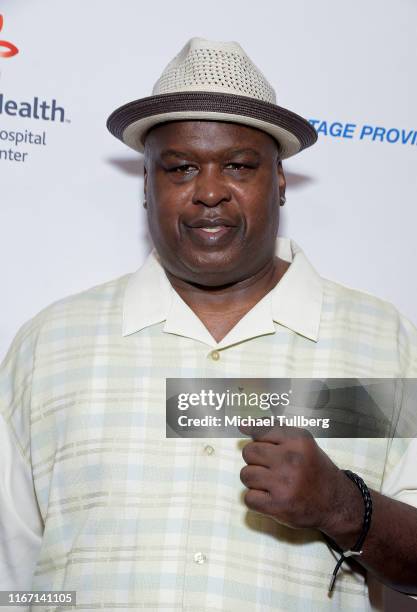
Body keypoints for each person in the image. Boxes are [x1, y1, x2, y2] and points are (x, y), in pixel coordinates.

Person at [0, 37, 416, 612]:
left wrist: (343, 506)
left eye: (240, 166)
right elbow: (13, 578)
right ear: (146, 186)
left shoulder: (384, 341)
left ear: (281, 182)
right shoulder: (50, 343)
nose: (211, 191)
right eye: (181, 168)